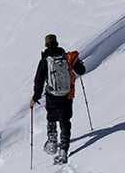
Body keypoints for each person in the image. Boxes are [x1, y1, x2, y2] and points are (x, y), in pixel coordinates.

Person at [31, 34, 86, 164]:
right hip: (66, 94)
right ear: (57, 43)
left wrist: (35, 97)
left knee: (51, 117)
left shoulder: (45, 60)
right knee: (65, 121)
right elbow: (81, 70)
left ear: (46, 45)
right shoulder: (67, 56)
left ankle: (52, 141)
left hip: (52, 95)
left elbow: (38, 80)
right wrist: (79, 64)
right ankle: (63, 150)